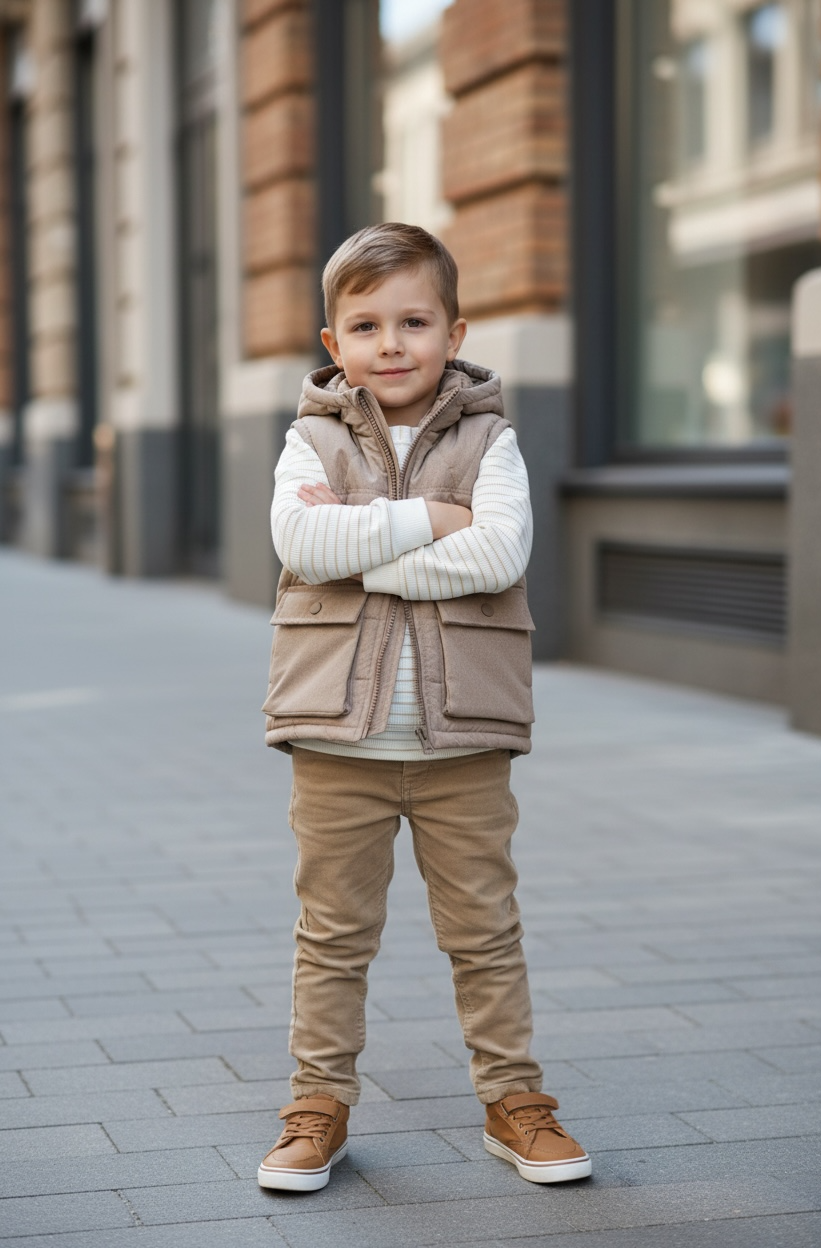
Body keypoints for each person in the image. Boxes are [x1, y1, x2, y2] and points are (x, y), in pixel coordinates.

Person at [257, 222, 591, 1193]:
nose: (391, 342)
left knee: (485, 931)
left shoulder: (492, 441)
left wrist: (358, 542)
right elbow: (298, 542)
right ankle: (316, 1104)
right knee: (332, 935)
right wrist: (428, 522)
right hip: (337, 739)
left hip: (464, 745)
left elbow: (497, 556)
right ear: (334, 344)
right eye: (365, 324)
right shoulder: (308, 438)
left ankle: (514, 1101)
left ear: (454, 330)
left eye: (414, 320)